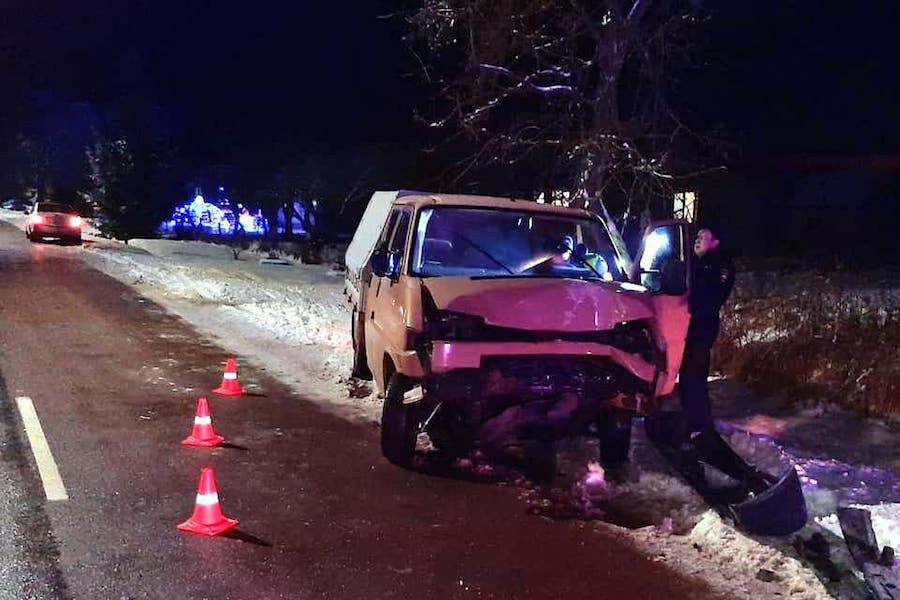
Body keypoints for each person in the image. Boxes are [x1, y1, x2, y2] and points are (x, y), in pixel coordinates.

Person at [679, 226, 734, 438]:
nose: (697, 240)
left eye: (704, 237)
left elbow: (710, 299)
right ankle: (693, 423)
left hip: (701, 329)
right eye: (697, 236)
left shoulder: (719, 266)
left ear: (715, 243)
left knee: (694, 378)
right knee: (687, 378)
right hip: (687, 329)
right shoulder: (694, 264)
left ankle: (700, 427)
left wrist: (691, 309)